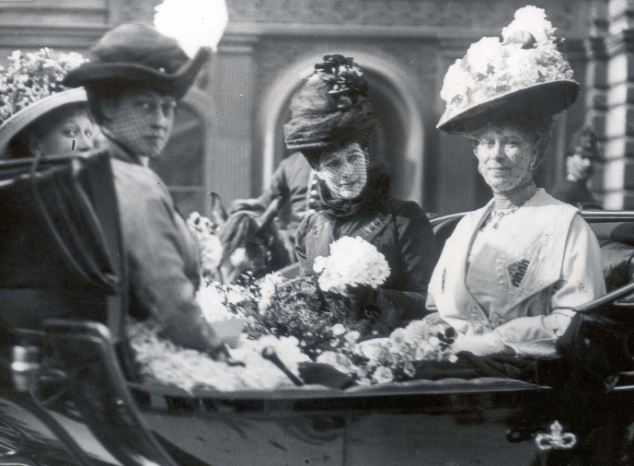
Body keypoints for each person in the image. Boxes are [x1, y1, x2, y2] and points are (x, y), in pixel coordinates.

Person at [427, 6, 606, 358]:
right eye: (487, 143)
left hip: (524, 384)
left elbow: (576, 321)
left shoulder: (566, 225)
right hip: (455, 375)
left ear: (536, 151)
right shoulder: (464, 228)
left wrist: (493, 343)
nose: (497, 155)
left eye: (512, 142)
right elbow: (436, 311)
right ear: (477, 152)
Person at [62, 23, 223, 352]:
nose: (161, 122)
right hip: (145, 365)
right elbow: (171, 303)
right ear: (108, 107)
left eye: (168, 108)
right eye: (145, 106)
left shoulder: (89, 170)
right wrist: (219, 352)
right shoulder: (133, 182)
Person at [289, 54, 439, 335]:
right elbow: (308, 301)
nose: (347, 171)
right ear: (317, 170)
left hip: (392, 347)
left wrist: (374, 298)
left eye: (353, 157)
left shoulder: (403, 219)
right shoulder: (310, 228)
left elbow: (431, 302)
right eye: (333, 163)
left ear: (366, 155)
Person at [230, 151, 318, 260]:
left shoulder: (337, 159)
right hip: (295, 238)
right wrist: (244, 208)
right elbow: (267, 200)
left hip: (331, 239)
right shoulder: (291, 163)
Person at [552, 125, 602, 209]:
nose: (588, 163)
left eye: (591, 159)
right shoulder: (563, 192)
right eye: (583, 157)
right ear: (569, 159)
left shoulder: (584, 190)